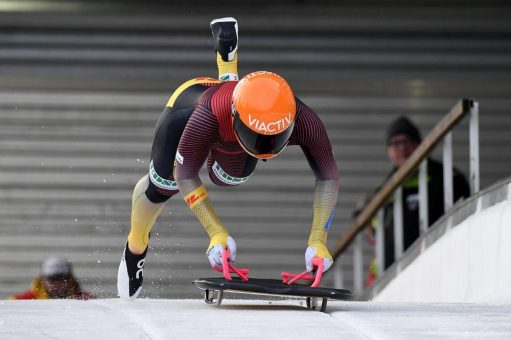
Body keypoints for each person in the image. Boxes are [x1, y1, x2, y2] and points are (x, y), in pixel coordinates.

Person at [117, 17, 340, 299]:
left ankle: (228, 68)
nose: (266, 148)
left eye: (275, 138)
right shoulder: (207, 116)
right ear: (237, 118)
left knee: (228, 177)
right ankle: (135, 249)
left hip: (228, 120)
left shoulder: (305, 119)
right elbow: (184, 175)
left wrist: (318, 239)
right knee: (163, 185)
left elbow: (328, 176)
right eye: (257, 138)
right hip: (189, 110)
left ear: (292, 122)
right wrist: (215, 232)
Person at [364, 117, 470, 286]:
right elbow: (374, 233)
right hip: (393, 280)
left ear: (419, 144)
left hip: (437, 272)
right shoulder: (383, 192)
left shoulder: (447, 179)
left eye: (407, 141)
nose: (402, 148)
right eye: (395, 144)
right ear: (388, 151)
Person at [9, 256, 94, 300]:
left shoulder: (86, 300)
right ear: (42, 279)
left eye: (62, 278)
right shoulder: (23, 301)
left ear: (70, 279)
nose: (57, 284)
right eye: (52, 279)